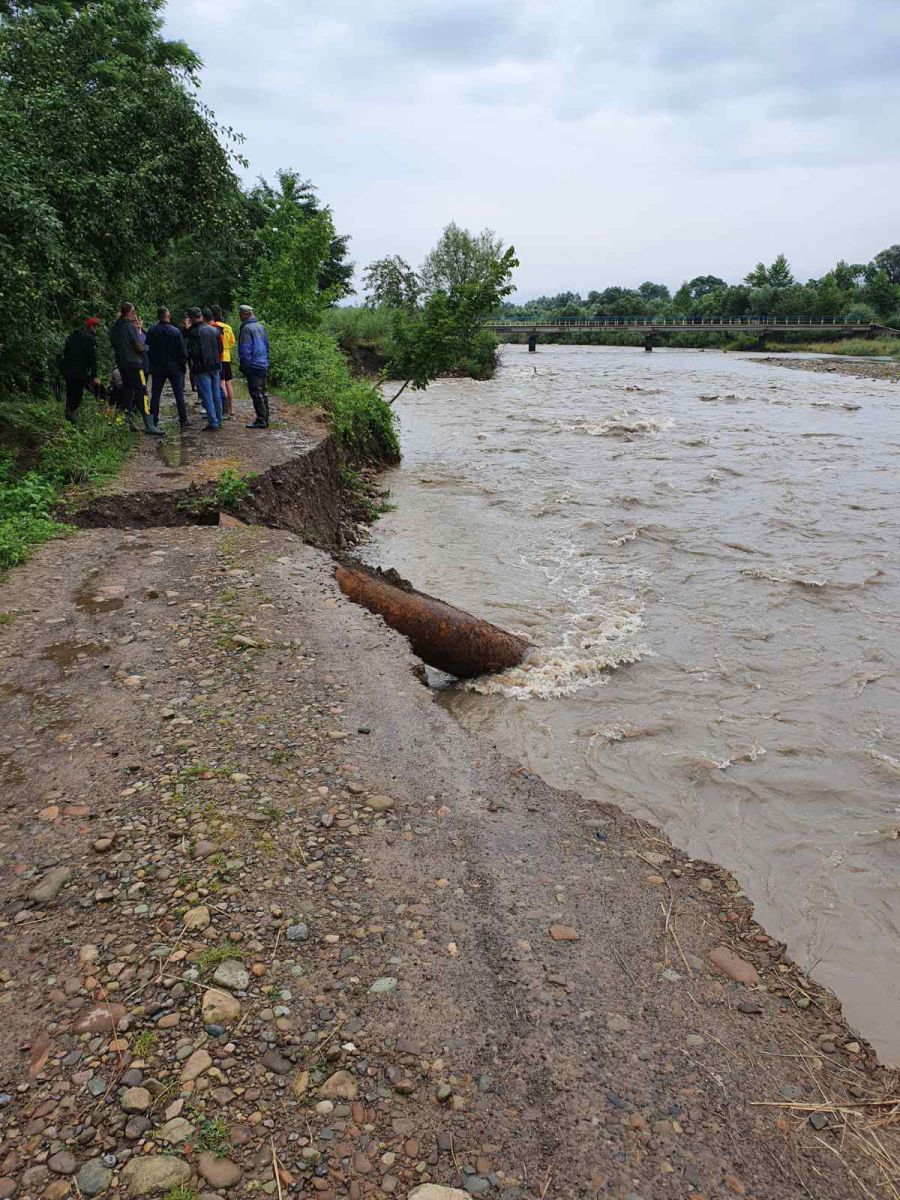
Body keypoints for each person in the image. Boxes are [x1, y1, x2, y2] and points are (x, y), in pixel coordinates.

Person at [110, 301, 158, 434]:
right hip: (135, 364)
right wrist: (146, 348)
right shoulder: (129, 327)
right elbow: (138, 346)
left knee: (128, 392)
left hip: (122, 365)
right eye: (134, 312)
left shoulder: (114, 328)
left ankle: (127, 421)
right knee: (142, 392)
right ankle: (149, 424)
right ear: (130, 313)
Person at [146, 306, 189, 428]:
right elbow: (182, 351)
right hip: (174, 367)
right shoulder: (175, 331)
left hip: (158, 367)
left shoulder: (152, 331)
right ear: (168, 316)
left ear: (158, 316)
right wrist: (182, 366)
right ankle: (183, 419)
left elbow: (147, 349)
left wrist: (151, 363)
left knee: (155, 394)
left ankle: (153, 419)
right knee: (179, 394)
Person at [185, 307, 224, 431]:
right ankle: (219, 419)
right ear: (201, 316)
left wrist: (189, 355)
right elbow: (220, 349)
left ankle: (213, 423)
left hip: (202, 367)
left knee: (207, 396)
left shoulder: (192, 333)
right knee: (216, 394)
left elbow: (193, 352)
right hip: (215, 365)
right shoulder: (214, 330)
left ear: (190, 319)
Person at [61, 318, 101, 422]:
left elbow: (65, 353)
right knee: (77, 396)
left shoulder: (72, 336)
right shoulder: (89, 339)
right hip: (80, 372)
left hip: (68, 371)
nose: (96, 330)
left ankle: (69, 418)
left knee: (71, 395)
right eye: (95, 327)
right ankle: (71, 420)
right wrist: (94, 376)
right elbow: (92, 359)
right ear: (90, 327)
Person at [238, 304, 270, 429]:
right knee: (263, 392)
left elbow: (245, 350)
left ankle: (261, 420)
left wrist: (245, 366)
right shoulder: (261, 327)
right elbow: (267, 345)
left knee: (256, 393)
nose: (240, 316)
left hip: (254, 365)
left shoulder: (246, 328)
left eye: (240, 314)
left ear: (245, 314)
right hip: (263, 363)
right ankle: (265, 418)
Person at [210, 305, 236, 418]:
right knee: (228, 382)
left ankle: (223, 409)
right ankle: (231, 408)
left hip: (218, 357)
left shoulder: (211, 327)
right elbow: (232, 342)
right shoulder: (227, 327)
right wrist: (226, 349)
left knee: (221, 383)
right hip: (227, 356)